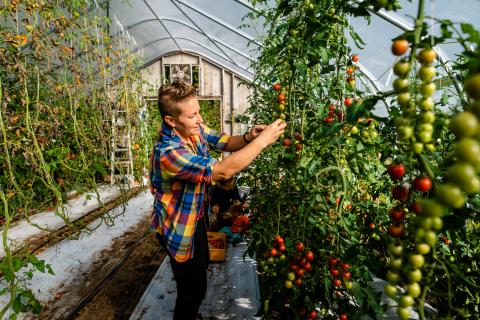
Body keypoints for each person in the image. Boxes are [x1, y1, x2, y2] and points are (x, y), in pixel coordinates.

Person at [149, 81, 286, 320]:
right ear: (171, 121)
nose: (200, 119)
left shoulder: (191, 128)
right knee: (192, 290)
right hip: (179, 229)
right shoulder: (168, 153)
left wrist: (247, 136)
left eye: (198, 111)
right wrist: (262, 141)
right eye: (193, 115)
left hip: (197, 218)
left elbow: (222, 141)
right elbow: (222, 171)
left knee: (201, 268)